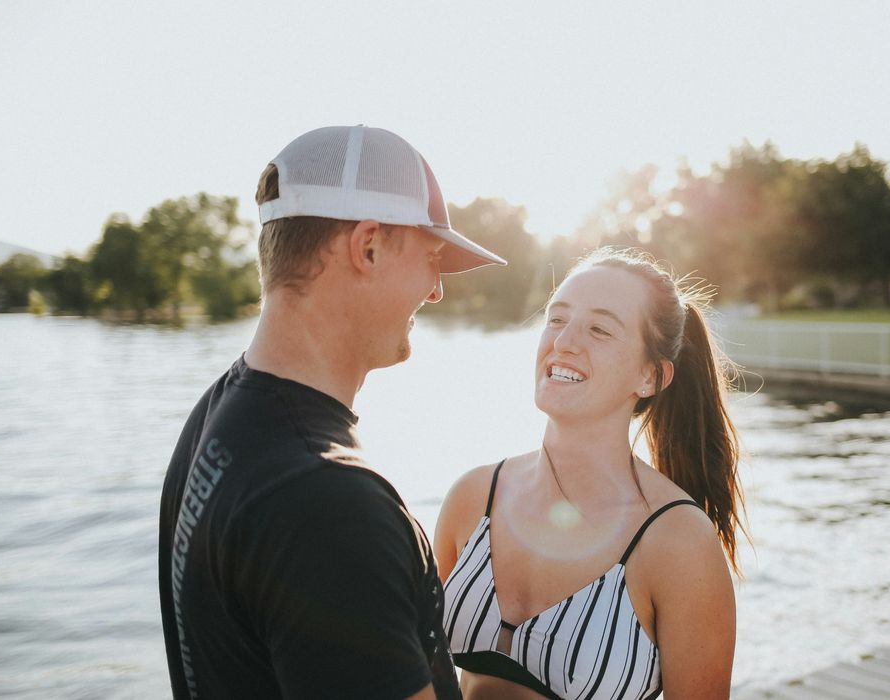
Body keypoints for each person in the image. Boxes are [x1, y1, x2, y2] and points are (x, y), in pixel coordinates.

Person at [158, 125, 505, 699]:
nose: (437, 290)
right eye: (432, 257)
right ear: (367, 246)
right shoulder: (330, 505)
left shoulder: (221, 412)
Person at [435, 248, 746, 699]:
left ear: (651, 377)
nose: (563, 342)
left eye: (599, 329)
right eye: (557, 319)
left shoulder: (678, 542)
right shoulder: (473, 496)